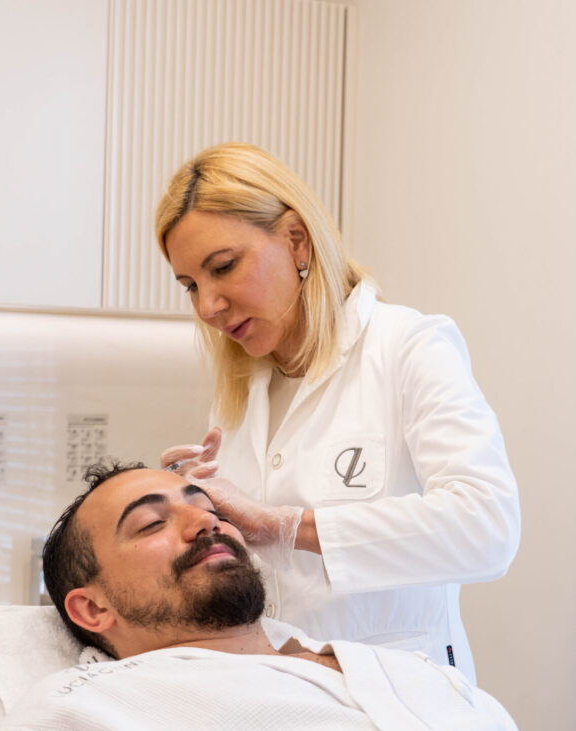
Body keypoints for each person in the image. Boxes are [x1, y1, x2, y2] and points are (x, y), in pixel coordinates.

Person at [152, 142, 521, 681]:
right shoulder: (240, 390)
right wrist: (199, 512)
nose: (208, 305)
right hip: (282, 696)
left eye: (223, 267)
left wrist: (284, 526)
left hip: (397, 695)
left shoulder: (408, 346)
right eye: (191, 285)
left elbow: (486, 529)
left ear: (296, 240)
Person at [2, 461, 516, 730]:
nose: (206, 521)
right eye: (152, 522)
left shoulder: (408, 675)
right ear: (93, 608)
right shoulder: (86, 709)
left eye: (211, 509)